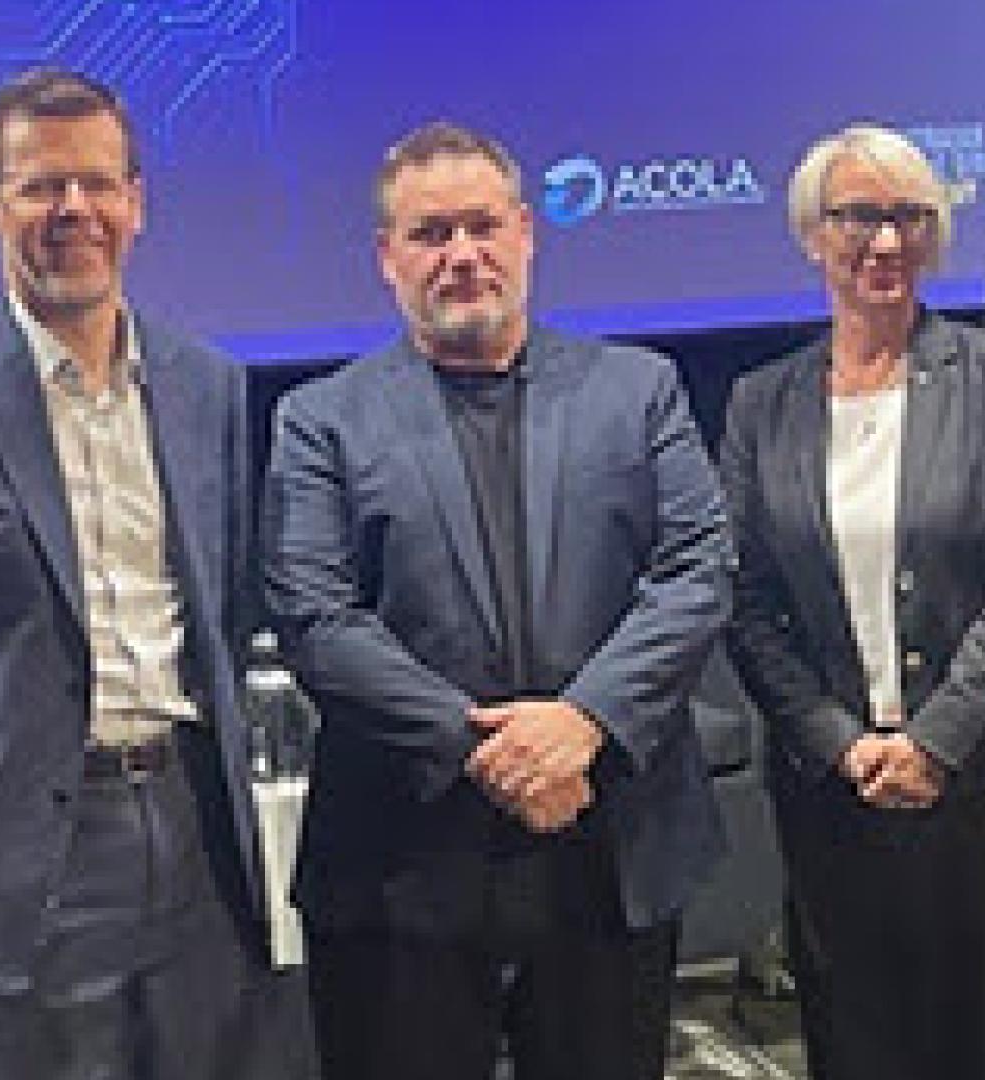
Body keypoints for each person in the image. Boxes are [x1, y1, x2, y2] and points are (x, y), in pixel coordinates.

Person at [260, 121, 732, 1080]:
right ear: (387, 256)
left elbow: (699, 569)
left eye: (481, 226)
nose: (462, 254)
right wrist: (495, 751)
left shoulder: (638, 390)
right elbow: (315, 617)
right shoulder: (319, 421)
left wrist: (585, 722)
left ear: (525, 230)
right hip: (402, 864)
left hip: (604, 842)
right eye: (431, 234)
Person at [0, 68, 267, 1079]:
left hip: (193, 836)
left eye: (98, 183)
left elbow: (227, 607)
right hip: (15, 861)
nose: (74, 209)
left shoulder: (208, 386)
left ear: (136, 202)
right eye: (40, 186)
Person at [722, 124, 985, 1080]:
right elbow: (743, 598)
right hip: (834, 794)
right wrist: (840, 741)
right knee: (857, 1047)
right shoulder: (760, 404)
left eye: (910, 217)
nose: (885, 241)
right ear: (813, 234)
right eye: (858, 217)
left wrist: (937, 740)